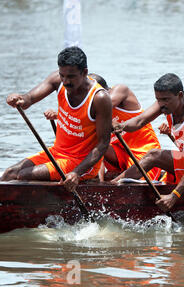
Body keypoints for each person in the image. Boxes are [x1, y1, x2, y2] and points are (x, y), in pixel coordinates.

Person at [111, 73, 184, 211]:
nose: (161, 104)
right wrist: (120, 126)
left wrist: (174, 196)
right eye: (158, 99)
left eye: (165, 99)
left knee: (154, 156)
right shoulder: (166, 103)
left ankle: (110, 189)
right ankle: (115, 186)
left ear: (179, 95)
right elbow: (139, 121)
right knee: (156, 160)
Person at [1, 46, 112, 192]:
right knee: (9, 174)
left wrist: (76, 173)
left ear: (84, 72)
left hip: (80, 162)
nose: (65, 81)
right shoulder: (57, 80)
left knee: (22, 176)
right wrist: (18, 99)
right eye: (62, 75)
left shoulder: (100, 98)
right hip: (57, 153)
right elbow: (28, 99)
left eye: (71, 77)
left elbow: (103, 143)